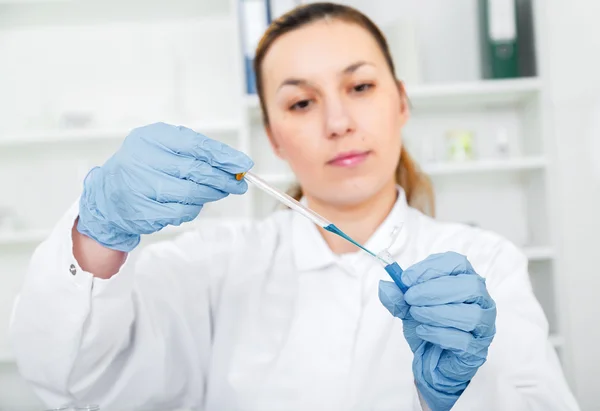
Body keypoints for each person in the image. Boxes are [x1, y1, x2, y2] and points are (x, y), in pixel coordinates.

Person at [9, 3, 579, 411]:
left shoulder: (487, 262)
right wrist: (100, 231)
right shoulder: (212, 263)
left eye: (360, 88)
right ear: (275, 138)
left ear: (401, 102)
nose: (338, 123)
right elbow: (73, 380)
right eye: (302, 102)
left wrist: (461, 396)